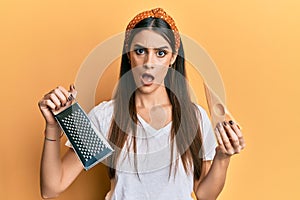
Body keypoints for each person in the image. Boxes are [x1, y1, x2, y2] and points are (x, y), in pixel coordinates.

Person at [38, 8, 245, 200]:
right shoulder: (105, 116)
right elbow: (51, 188)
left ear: (173, 57)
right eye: (140, 51)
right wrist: (53, 127)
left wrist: (223, 157)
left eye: (160, 53)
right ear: (129, 54)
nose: (149, 63)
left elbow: (204, 194)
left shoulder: (195, 117)